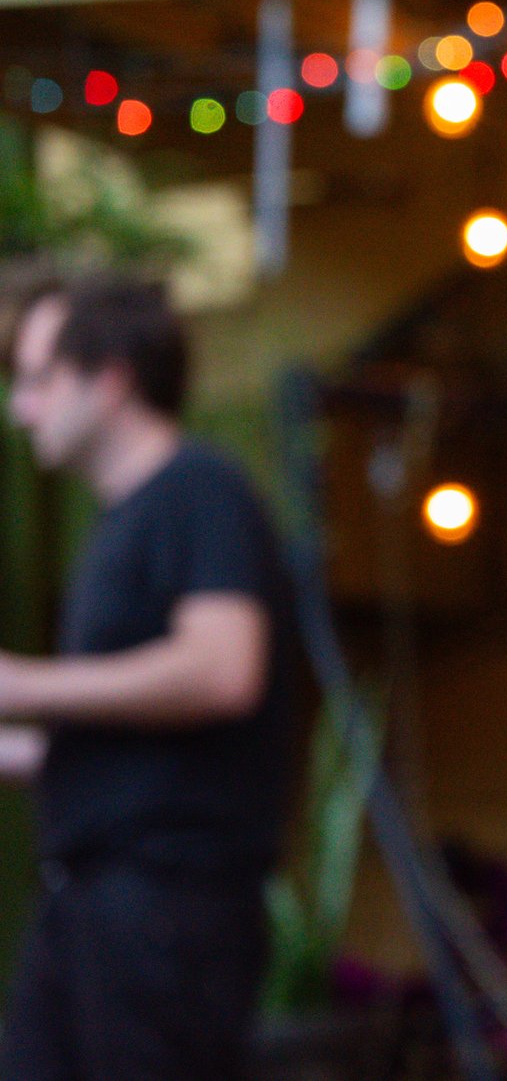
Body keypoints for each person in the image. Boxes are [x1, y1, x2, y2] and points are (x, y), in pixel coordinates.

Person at [0, 274, 292, 1080]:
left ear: (112, 377)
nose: (22, 407)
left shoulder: (200, 490)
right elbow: (116, 739)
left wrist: (24, 685)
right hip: (89, 902)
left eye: (36, 379)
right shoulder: (118, 523)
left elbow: (223, 668)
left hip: (167, 906)